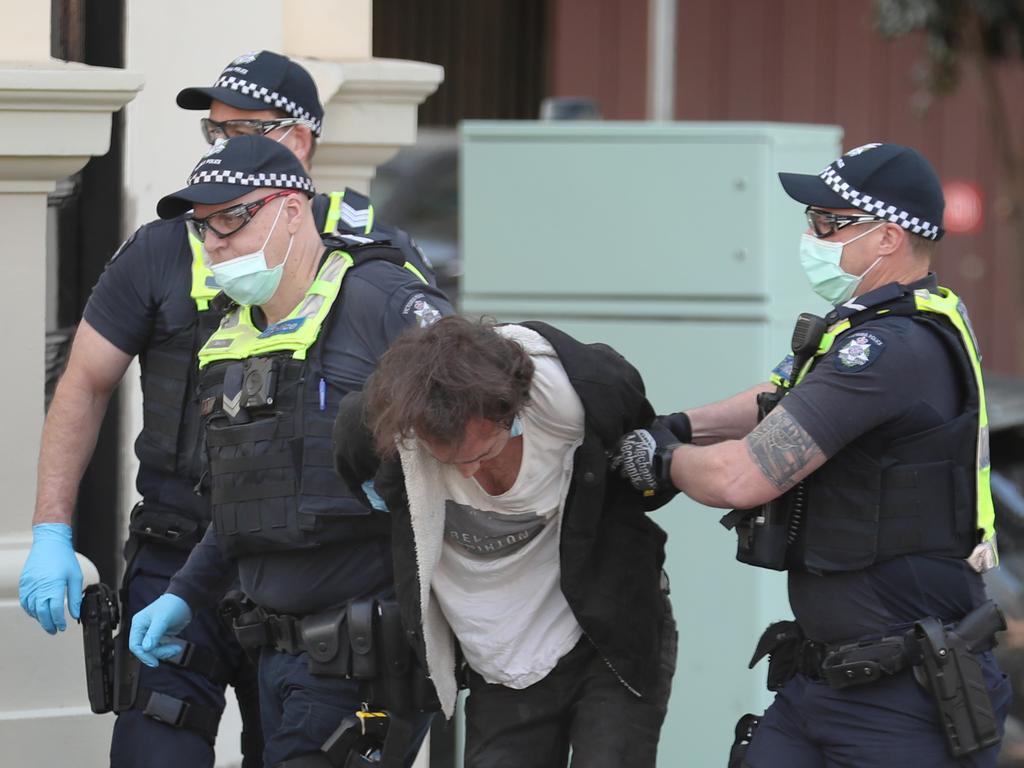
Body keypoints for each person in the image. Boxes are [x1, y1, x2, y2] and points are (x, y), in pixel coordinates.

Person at [17, 49, 437, 768]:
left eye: (242, 128)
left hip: (313, 578)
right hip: (183, 545)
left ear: (298, 142)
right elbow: (84, 383)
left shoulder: (368, 278)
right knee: (154, 744)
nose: (219, 145)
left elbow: (454, 400)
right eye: (212, 132)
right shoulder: (164, 252)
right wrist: (51, 531)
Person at [611, 142, 1012, 767]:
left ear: (886, 237)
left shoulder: (890, 349)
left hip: (902, 703)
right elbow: (783, 396)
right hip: (822, 683)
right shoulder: (878, 323)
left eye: (829, 222)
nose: (812, 235)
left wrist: (661, 461)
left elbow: (743, 477)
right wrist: (681, 424)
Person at [127, 134, 451, 767]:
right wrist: (183, 594)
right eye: (202, 226)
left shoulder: (378, 301)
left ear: (294, 210)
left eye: (232, 217)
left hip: (364, 660)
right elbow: (241, 504)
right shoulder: (233, 337)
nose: (214, 240)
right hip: (276, 658)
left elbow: (480, 423)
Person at [332, 315, 679, 768]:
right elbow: (378, 503)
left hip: (608, 634)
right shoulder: (375, 431)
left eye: (483, 452)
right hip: (498, 653)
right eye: (450, 461)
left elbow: (647, 475)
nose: (471, 473)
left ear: (511, 412)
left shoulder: (583, 392)